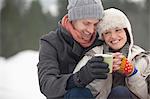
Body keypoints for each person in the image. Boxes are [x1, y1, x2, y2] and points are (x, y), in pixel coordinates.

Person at [37, 0, 110, 99]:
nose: (91, 30)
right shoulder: (51, 43)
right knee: (78, 94)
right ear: (73, 19)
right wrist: (80, 77)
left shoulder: (101, 39)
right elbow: (47, 85)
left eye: (95, 24)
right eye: (86, 23)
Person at [74, 8, 150, 99]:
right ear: (102, 37)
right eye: (107, 32)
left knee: (120, 92)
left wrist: (132, 73)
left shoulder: (142, 58)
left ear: (127, 32)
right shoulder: (93, 55)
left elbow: (146, 95)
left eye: (118, 30)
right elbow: (78, 88)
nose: (113, 36)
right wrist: (98, 73)